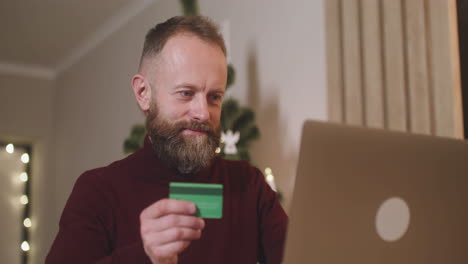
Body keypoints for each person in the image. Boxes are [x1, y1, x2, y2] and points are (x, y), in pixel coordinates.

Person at [46, 15, 287, 264]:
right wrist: (144, 257)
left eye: (214, 97)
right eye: (186, 93)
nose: (203, 113)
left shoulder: (249, 186)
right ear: (143, 93)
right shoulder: (98, 191)